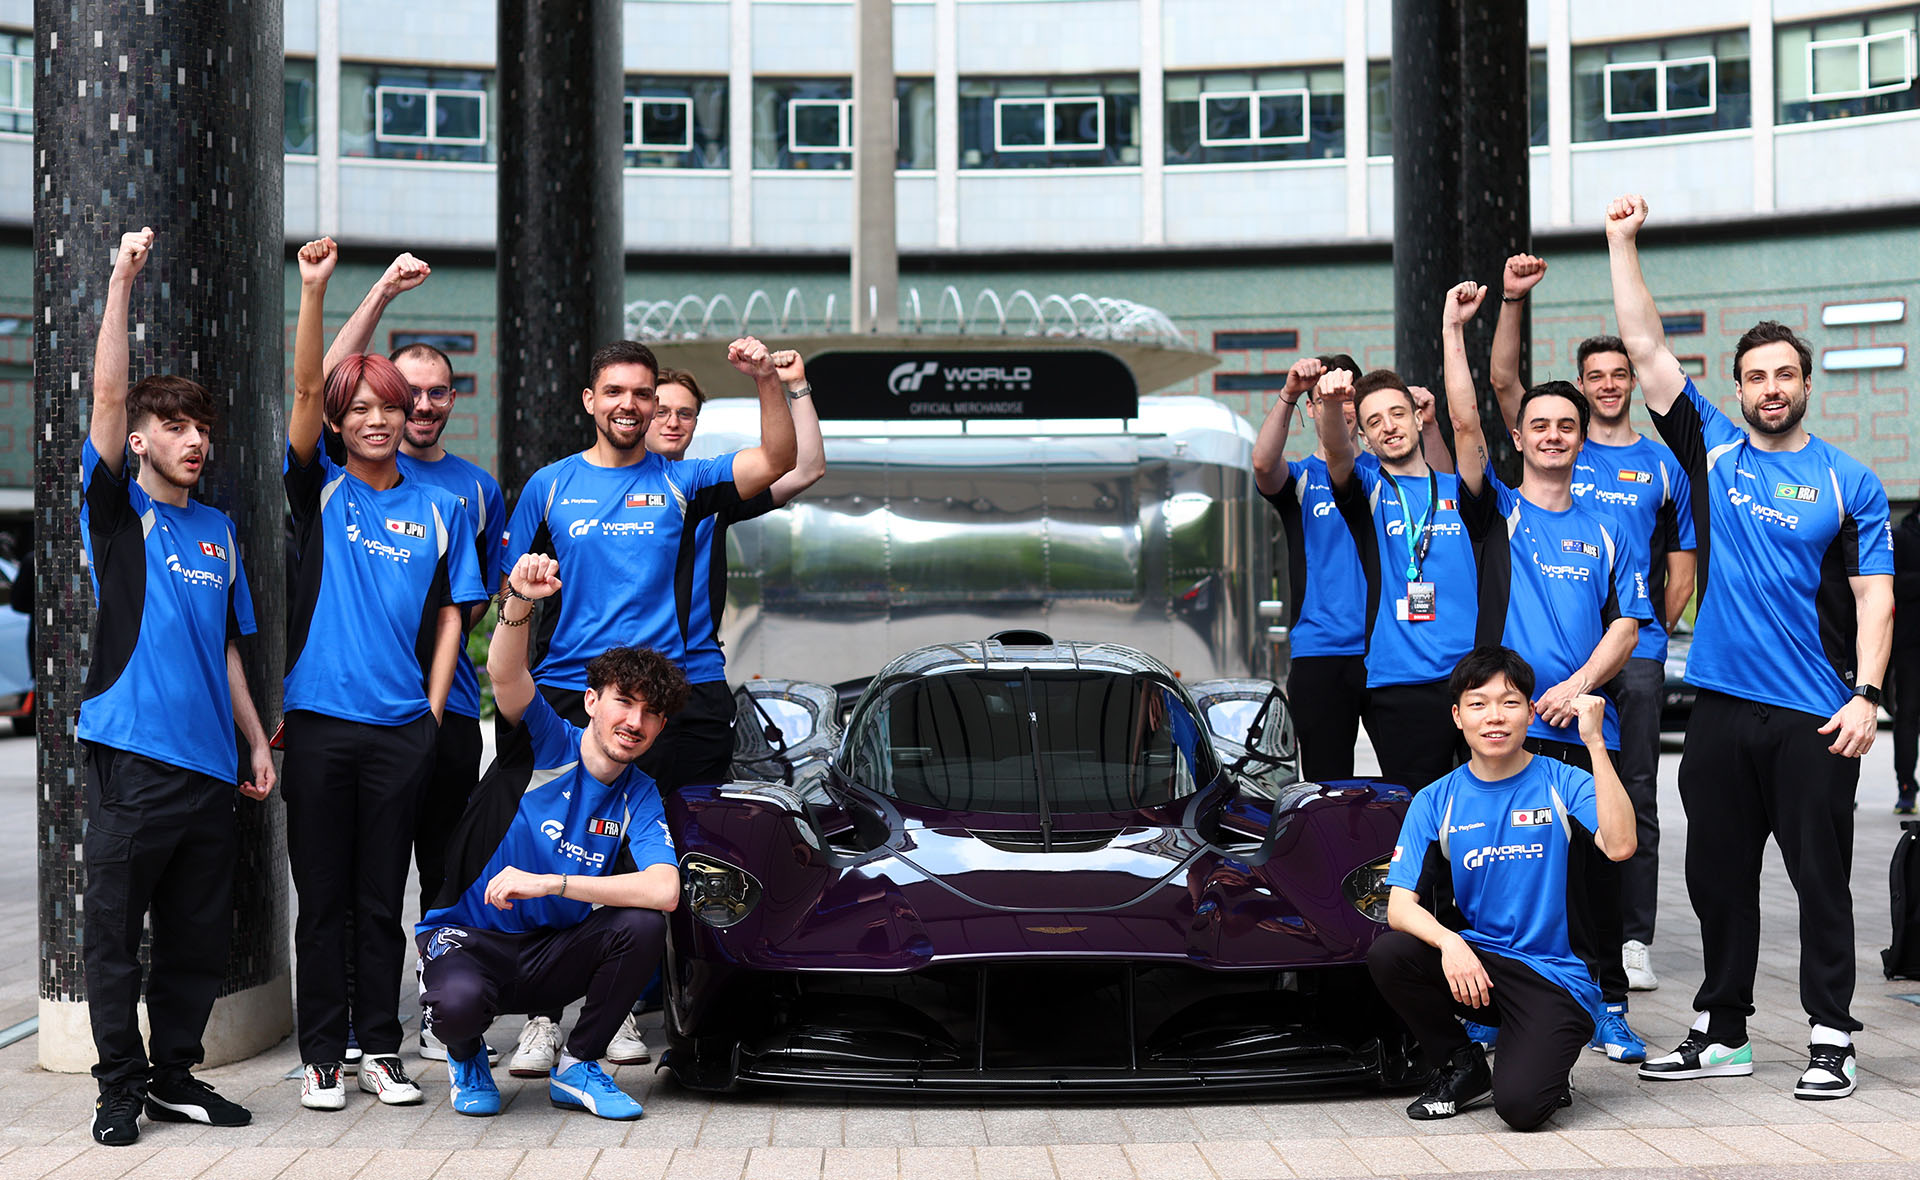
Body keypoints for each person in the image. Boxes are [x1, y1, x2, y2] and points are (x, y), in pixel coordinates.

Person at [1606, 194, 1895, 1099]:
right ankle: (1722, 1030)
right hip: (1723, 707)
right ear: (1736, 391)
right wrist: (1620, 241)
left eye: (1785, 374)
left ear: (1806, 385)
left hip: (1816, 717)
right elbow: (1646, 345)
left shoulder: (1849, 483)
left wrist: (1868, 695)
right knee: (1718, 878)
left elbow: (1876, 597)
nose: (1771, 387)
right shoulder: (1713, 449)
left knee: (1821, 884)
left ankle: (1831, 1036)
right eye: (1756, 376)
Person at [496, 335, 795, 1075]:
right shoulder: (550, 485)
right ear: (591, 402)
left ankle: (618, 1006)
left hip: (651, 700)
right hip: (566, 694)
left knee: (631, 851)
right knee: (549, 848)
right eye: (615, 392)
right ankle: (542, 1017)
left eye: (641, 393)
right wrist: (523, 598)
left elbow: (778, 459)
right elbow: (512, 586)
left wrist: (767, 381)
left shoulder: (684, 481)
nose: (629, 405)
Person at [78, 228, 275, 1147]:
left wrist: (256, 741)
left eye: (203, 430)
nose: (195, 441)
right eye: (176, 428)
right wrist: (122, 279)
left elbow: (227, 649)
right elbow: (107, 395)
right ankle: (117, 1087)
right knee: (115, 938)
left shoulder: (220, 531)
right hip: (131, 757)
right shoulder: (119, 515)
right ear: (141, 441)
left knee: (196, 941)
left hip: (209, 769)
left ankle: (172, 1079)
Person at [284, 237, 489, 1111]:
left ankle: (379, 1047)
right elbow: (308, 388)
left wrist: (432, 713)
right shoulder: (321, 489)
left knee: (380, 900)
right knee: (322, 900)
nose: (376, 420)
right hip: (318, 724)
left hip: (402, 730)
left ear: (410, 417)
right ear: (339, 424)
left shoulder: (442, 508)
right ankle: (320, 1057)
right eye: (360, 409)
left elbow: (452, 615)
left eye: (389, 408)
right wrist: (321, 291)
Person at [1443, 279, 1655, 1066]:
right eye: (1541, 425)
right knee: (1499, 879)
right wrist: (1452, 331)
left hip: (1586, 725)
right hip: (1509, 728)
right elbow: (1465, 421)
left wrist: (1578, 687)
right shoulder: (1496, 509)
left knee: (1597, 878)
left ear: (1581, 436)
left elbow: (1628, 624)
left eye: (1567, 424)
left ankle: (1609, 1007)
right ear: (1522, 437)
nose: (1555, 435)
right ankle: (1490, 1007)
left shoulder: (1611, 528)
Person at [1490, 254, 1697, 991]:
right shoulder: (1556, 449)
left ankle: (1630, 942)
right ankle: (1543, 950)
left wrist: (1637, 635)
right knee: (1539, 803)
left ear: (1632, 382)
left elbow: (1680, 569)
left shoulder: (1663, 465)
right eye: (1595, 376)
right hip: (1565, 656)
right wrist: (1511, 301)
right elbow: (1503, 386)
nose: (1608, 384)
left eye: (1619, 374)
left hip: (1630, 648)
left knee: (1632, 794)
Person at [417, 552, 684, 1122]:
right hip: (472, 937)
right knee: (457, 1005)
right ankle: (465, 1055)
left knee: (642, 925)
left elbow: (665, 890)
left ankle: (579, 1066)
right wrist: (518, 601)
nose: (634, 722)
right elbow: (506, 675)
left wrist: (552, 883)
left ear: (661, 727)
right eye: (624, 701)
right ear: (592, 701)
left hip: (551, 954)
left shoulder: (640, 793)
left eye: (650, 713)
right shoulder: (545, 740)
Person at [1367, 647, 1636, 1130]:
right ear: (1458, 716)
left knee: (1521, 1109)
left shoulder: (1562, 781)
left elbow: (1620, 846)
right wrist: (1451, 944)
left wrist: (1596, 743)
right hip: (1482, 965)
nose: (1494, 717)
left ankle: (1546, 1054)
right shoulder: (1436, 799)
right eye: (1478, 704)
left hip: (1557, 976)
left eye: (1510, 703)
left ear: (1531, 713)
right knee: (1391, 954)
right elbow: (1399, 908)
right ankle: (1463, 1067)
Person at [1315, 367, 1477, 790]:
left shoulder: (1460, 489)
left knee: (1488, 803)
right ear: (1365, 438)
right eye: (1374, 421)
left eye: (1397, 413)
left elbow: (1467, 426)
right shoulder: (1367, 490)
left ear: (1417, 418)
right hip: (1402, 684)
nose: (1388, 426)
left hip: (1475, 676)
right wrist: (1330, 405)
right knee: (1419, 812)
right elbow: (1336, 452)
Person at [1252, 354, 1370, 781]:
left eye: (1348, 396)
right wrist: (1289, 393)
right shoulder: (1300, 479)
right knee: (1327, 787)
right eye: (1326, 398)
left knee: (1410, 783)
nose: (1339, 405)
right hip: (1321, 652)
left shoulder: (1386, 475)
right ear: (1313, 407)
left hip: (1389, 652)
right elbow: (1263, 465)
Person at [1894, 503, 1920, 814]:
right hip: (1910, 643)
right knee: (1907, 715)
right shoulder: (1901, 535)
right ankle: (1906, 787)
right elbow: (1891, 584)